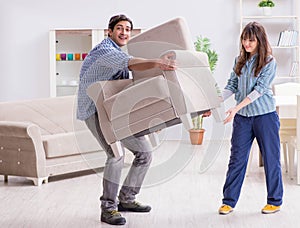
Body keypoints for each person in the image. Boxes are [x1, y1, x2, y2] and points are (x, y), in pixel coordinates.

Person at [76, 14, 175, 226]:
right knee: (115, 155)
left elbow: (129, 90)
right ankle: (108, 208)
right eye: (119, 28)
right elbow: (130, 64)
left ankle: (127, 199)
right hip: (94, 110)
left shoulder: (119, 51)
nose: (124, 32)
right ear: (109, 31)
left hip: (113, 111)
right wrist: (158, 62)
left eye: (128, 29)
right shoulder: (105, 51)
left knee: (144, 153)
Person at [218, 21, 283, 215]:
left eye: (251, 40)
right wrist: (215, 103)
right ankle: (228, 201)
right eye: (244, 39)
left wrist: (235, 108)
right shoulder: (240, 60)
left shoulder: (269, 61)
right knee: (237, 159)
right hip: (243, 119)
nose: (247, 44)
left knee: (271, 159)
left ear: (259, 41)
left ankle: (275, 201)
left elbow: (260, 90)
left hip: (265, 117)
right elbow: (231, 85)